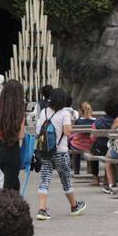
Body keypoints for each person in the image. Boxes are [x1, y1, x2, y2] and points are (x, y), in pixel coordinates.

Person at [34, 86, 86, 220]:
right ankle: (74, 206)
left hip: (45, 151)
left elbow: (38, 130)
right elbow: (68, 132)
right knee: (66, 180)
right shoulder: (64, 113)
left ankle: (42, 209)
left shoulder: (44, 111)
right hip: (60, 152)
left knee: (45, 179)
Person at [0, 78, 28, 192]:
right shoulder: (19, 110)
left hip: (0, 149)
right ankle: (7, 208)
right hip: (13, 150)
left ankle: (15, 207)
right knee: (10, 187)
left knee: (13, 183)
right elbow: (21, 135)